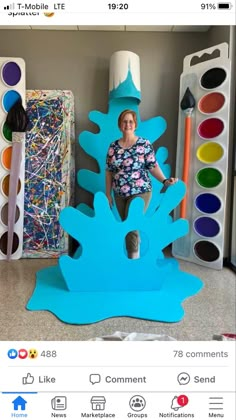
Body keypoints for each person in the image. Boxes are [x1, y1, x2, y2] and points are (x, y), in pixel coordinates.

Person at [105, 109, 178, 259]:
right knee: (128, 225)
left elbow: (153, 166)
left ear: (135, 124)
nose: (128, 124)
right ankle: (136, 244)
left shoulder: (144, 144)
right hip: (119, 194)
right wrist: (108, 194)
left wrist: (165, 180)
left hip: (141, 191)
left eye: (131, 121)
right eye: (124, 121)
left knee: (131, 224)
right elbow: (109, 171)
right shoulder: (113, 146)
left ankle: (133, 262)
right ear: (120, 125)